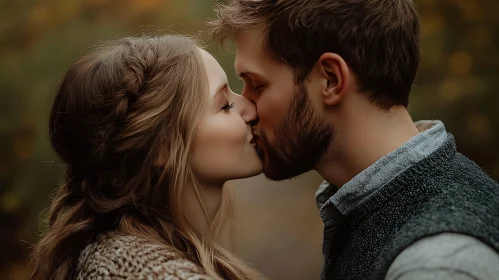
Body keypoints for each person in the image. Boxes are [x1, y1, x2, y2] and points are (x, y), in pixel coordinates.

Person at [210, 0, 499, 279]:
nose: (245, 107)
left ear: (332, 80)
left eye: (257, 84)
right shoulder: (379, 207)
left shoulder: (437, 266)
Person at [29, 34, 263, 280]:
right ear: (162, 146)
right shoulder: (145, 273)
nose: (250, 108)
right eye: (225, 105)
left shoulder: (117, 257)